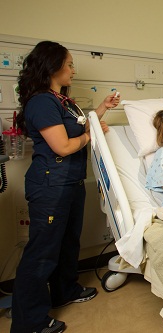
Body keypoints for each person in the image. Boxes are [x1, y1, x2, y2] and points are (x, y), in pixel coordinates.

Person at [11, 41, 120, 333]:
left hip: (71, 182)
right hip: (51, 184)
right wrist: (92, 138)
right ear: (53, 66)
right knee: (43, 252)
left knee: (69, 241)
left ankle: (65, 290)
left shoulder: (63, 101)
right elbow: (63, 145)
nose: (73, 70)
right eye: (69, 64)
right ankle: (29, 322)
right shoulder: (41, 102)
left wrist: (102, 111)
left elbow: (80, 128)